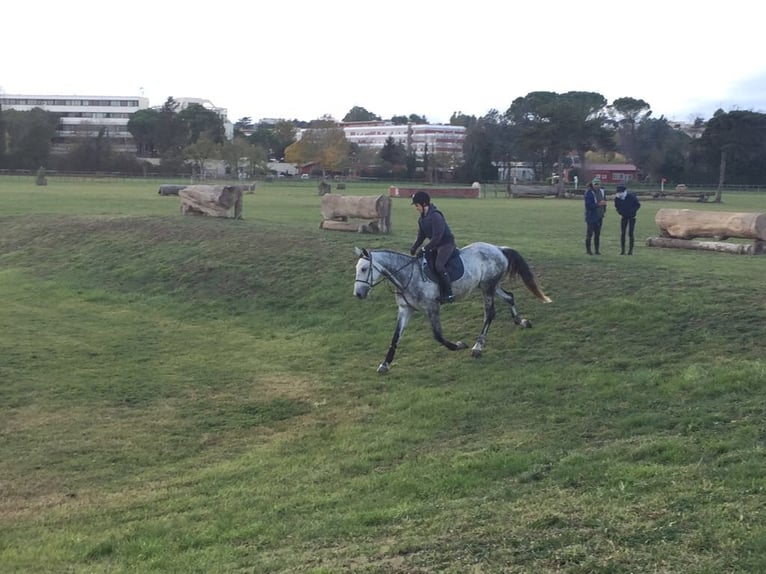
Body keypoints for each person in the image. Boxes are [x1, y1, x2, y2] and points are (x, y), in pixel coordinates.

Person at [409, 191, 456, 303]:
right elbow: (421, 236)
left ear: (424, 204)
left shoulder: (436, 216)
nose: (416, 208)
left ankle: (449, 293)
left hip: (446, 244)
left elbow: (437, 237)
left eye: (417, 205)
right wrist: (414, 247)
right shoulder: (422, 219)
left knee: (439, 265)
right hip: (436, 245)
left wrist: (425, 248)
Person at [614, 184, 641, 255]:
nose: (619, 193)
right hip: (623, 217)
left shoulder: (631, 196)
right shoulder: (617, 198)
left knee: (630, 233)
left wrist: (632, 211)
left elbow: (638, 205)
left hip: (632, 217)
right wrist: (620, 212)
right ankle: (622, 250)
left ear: (624, 191)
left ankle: (630, 251)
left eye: (620, 192)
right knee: (623, 233)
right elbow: (617, 206)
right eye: (618, 192)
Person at [584, 181, 607, 255]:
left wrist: (603, 209)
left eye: (598, 184)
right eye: (595, 184)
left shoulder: (601, 192)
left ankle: (597, 250)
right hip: (591, 216)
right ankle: (588, 250)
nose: (597, 186)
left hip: (599, 216)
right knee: (589, 234)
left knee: (597, 234)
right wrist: (598, 204)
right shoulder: (589, 193)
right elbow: (588, 206)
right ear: (592, 184)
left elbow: (604, 202)